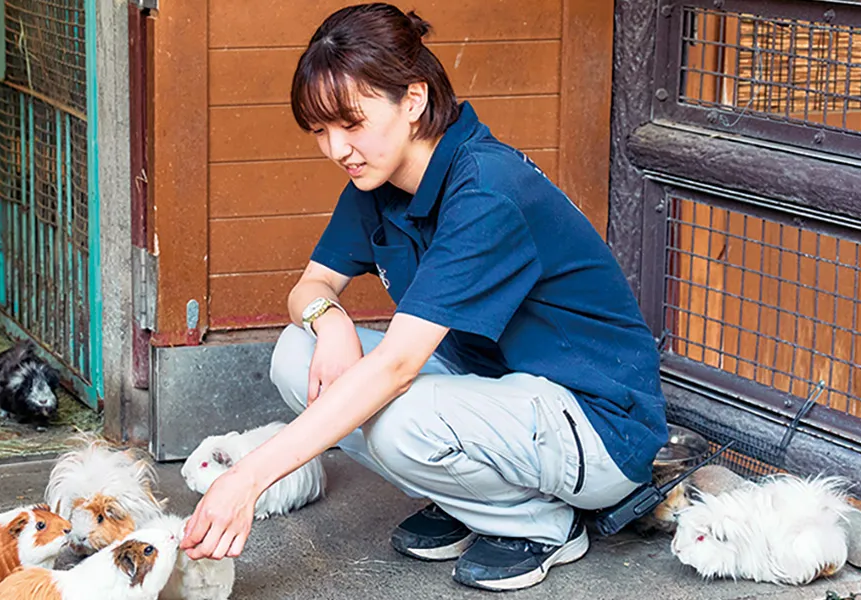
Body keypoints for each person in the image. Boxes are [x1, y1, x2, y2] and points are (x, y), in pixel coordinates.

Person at [180, 2, 669, 592]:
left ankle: (540, 523)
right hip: (501, 397)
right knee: (296, 351)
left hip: (598, 427)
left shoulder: (486, 190)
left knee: (398, 416)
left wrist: (247, 479)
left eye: (351, 123)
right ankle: (470, 497)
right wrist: (331, 323)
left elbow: (396, 366)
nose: (337, 149)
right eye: (320, 131)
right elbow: (310, 288)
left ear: (412, 101)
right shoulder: (377, 181)